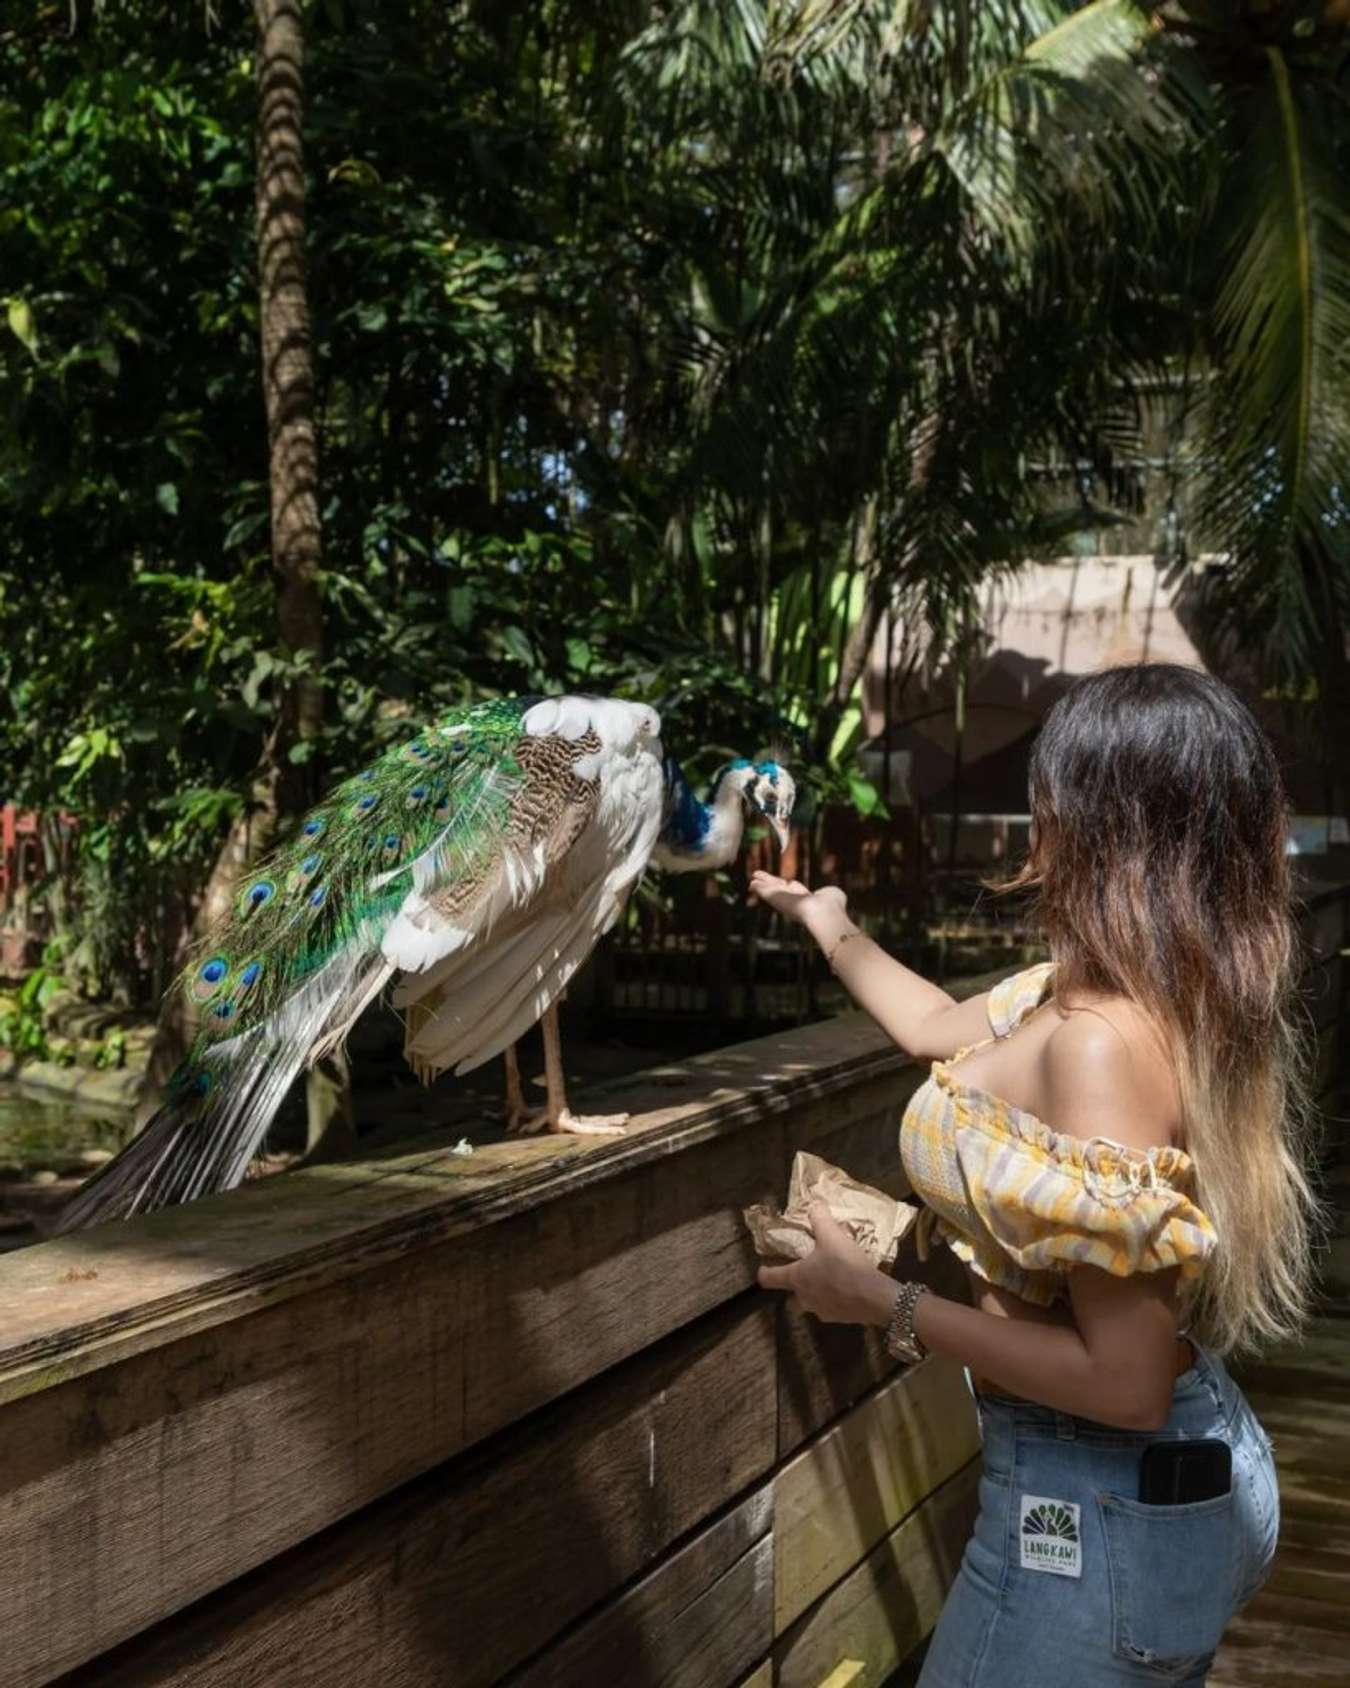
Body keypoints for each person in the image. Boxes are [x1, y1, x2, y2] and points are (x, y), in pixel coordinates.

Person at [750, 664, 1320, 1687]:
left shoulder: (1098, 1044)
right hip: (1163, 1485)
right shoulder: (1120, 990)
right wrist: (825, 917)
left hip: (1094, 1509)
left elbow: (1127, 1381)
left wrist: (882, 1299)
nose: (1032, 826)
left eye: (1046, 799)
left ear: (1100, 824)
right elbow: (931, 1025)